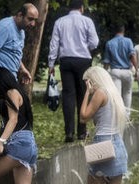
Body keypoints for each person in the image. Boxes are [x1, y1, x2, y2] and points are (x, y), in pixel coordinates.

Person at [72, 66, 136, 184]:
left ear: (93, 80)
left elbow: (83, 117)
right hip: (117, 145)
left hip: (102, 147)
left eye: (87, 81)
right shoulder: (114, 93)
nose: (87, 84)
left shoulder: (100, 93)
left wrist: (86, 93)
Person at [47, 0, 99, 143]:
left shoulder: (60, 22)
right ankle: (82, 132)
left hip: (66, 61)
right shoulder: (87, 21)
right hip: (83, 61)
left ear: (69, 8)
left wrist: (51, 64)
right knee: (83, 94)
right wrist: (85, 47)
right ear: (82, 8)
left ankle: (69, 132)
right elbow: (94, 42)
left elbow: (54, 44)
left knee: (68, 95)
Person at [0, 3, 39, 84]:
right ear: (20, 15)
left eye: (35, 20)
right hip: (0, 79)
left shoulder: (22, 30)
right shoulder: (6, 27)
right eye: (30, 19)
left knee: (21, 97)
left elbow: (14, 53)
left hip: (11, 78)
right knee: (20, 97)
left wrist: (23, 69)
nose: (33, 24)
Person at [102, 25, 137, 116]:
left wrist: (104, 74)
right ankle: (127, 115)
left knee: (116, 95)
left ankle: (117, 115)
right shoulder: (128, 41)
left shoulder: (109, 43)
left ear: (114, 31)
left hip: (115, 71)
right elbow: (132, 56)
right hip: (126, 71)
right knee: (127, 93)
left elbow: (106, 61)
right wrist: (137, 69)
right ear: (123, 31)